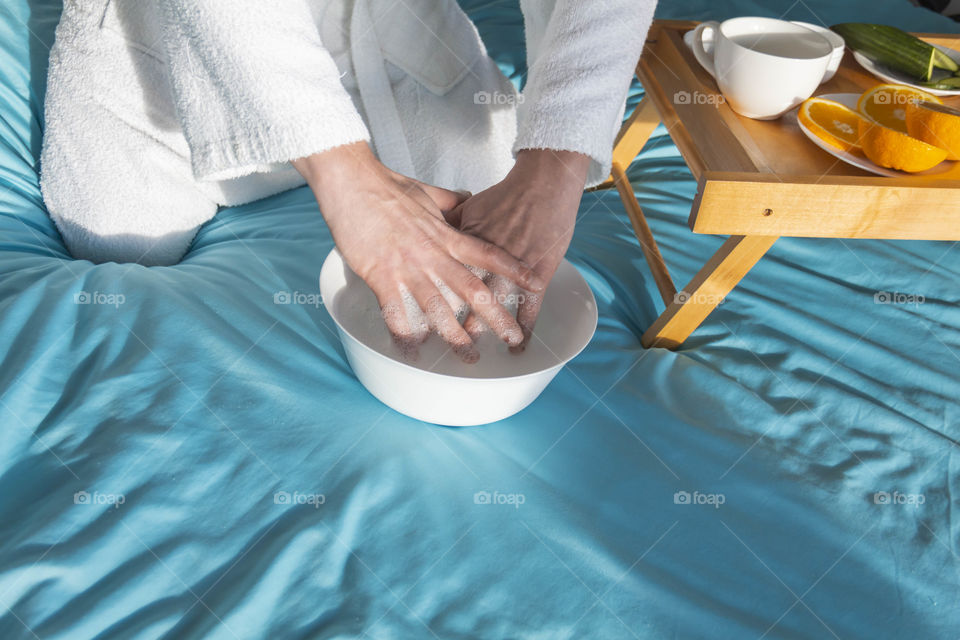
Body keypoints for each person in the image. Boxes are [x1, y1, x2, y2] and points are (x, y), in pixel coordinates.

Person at [40, 0, 655, 361]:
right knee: (112, 240)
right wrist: (345, 174)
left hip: (386, 30)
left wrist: (557, 162)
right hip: (167, 36)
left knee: (484, 229)